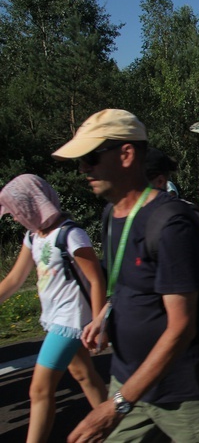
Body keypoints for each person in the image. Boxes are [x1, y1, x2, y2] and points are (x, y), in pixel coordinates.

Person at [57, 109, 199, 442]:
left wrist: (116, 405)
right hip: (130, 379)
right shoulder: (111, 214)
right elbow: (130, 283)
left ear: (127, 154)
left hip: (187, 396)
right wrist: (105, 313)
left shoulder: (172, 224)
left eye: (91, 157)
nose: (83, 168)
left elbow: (181, 328)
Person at [0, 175, 107, 443]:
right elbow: (14, 280)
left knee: (39, 390)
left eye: (16, 212)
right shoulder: (33, 237)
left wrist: (98, 324)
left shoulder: (70, 234)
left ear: (31, 205)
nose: (14, 218)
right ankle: (120, 430)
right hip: (54, 319)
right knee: (84, 376)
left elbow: (96, 280)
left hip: (70, 320)